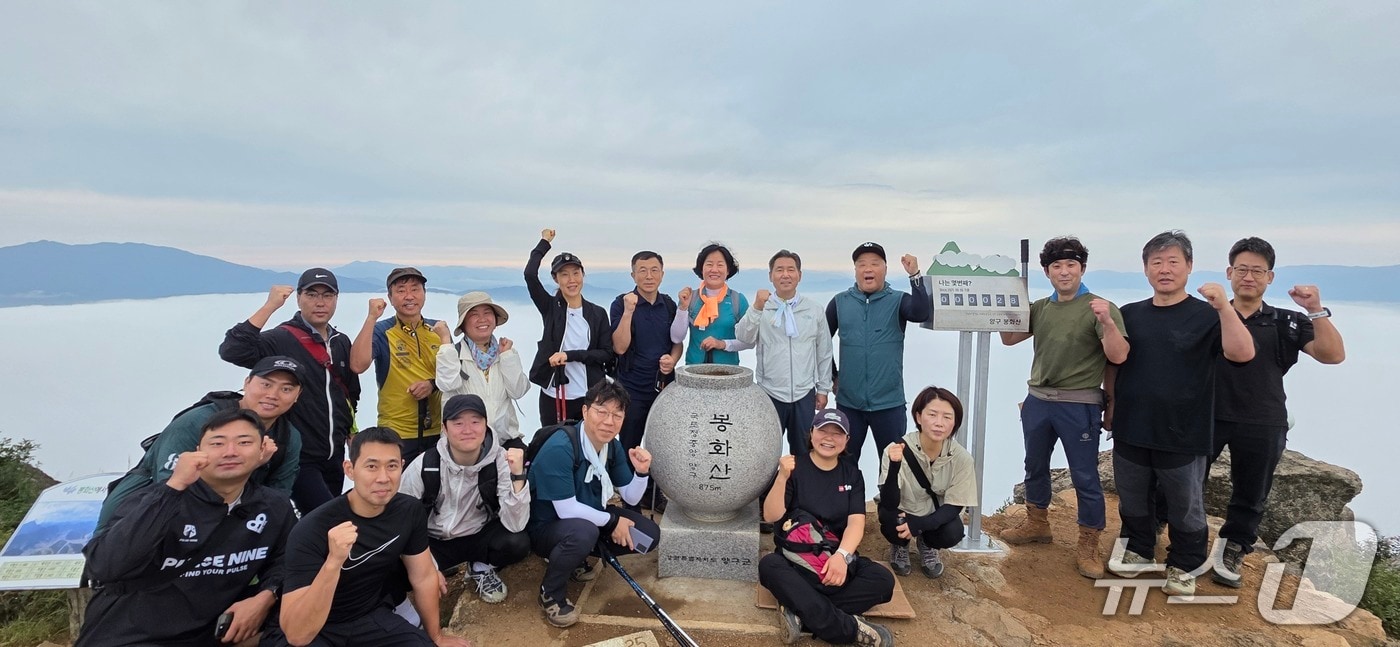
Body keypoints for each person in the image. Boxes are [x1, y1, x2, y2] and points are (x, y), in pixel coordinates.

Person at [1108, 230, 1255, 597]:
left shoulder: (1207, 316)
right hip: (1131, 424)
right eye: (1156, 262)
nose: (1165, 269)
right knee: (1133, 496)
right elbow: (1114, 364)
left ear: (1189, 267)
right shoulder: (1130, 314)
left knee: (1185, 505)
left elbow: (1242, 353)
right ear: (1145, 269)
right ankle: (1139, 549)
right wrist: (1110, 405)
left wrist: (1224, 307)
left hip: (1184, 431)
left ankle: (1185, 564)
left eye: (1174, 261)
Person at [79, 408, 296, 647]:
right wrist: (174, 486)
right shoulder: (154, 499)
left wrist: (266, 596)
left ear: (262, 452)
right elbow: (105, 565)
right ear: (197, 453)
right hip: (131, 636)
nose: (230, 452)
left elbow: (289, 559)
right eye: (217, 443)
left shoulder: (273, 506)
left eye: (244, 442)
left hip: (212, 633)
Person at [1209, 237, 1345, 588]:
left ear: (1270, 277)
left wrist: (1315, 308)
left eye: (1257, 271)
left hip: (1263, 418)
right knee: (1182, 481)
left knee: (1251, 493)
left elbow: (1332, 354)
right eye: (1242, 269)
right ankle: (1176, 538)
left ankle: (1232, 549)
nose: (1249, 277)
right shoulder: (1210, 315)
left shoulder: (1288, 321)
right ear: (1229, 273)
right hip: (1207, 413)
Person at [268, 427, 474, 647]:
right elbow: (297, 635)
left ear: (402, 467)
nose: (383, 478)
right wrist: (333, 562)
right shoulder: (312, 528)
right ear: (350, 469)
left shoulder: (408, 511)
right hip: (315, 628)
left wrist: (436, 637)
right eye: (372, 466)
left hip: (368, 617)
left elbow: (423, 577)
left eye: (392, 466)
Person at [997, 237, 1128, 579]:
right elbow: (1009, 338)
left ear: (1082, 268)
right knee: (1034, 465)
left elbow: (1118, 356)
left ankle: (1088, 543)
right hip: (1038, 400)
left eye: (1071, 265)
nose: (1064, 271)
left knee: (1084, 475)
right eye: (1057, 266)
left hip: (1079, 401)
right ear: (1047, 271)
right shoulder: (1041, 308)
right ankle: (1037, 524)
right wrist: (1011, 303)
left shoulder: (1100, 307)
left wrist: (1109, 323)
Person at [96, 355, 304, 535]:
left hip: (226, 513)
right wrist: (251, 465)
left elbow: (278, 497)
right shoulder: (198, 421)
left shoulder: (288, 436)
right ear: (247, 383)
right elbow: (169, 487)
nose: (273, 395)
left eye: (286, 389)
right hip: (145, 510)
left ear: (297, 396)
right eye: (266, 384)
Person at [219, 269, 362, 513]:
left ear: (336, 299)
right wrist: (270, 306)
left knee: (317, 524)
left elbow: (349, 393)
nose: (320, 302)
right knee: (328, 517)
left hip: (334, 455)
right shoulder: (281, 339)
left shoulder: (341, 342)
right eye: (312, 294)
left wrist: (350, 433)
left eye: (328, 295)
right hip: (298, 456)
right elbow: (233, 349)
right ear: (298, 298)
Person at [527, 381, 659, 629]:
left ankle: (577, 556)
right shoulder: (561, 447)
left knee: (648, 536)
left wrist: (641, 473)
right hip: (546, 528)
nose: (609, 421)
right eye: (602, 412)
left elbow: (630, 497)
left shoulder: (612, 446)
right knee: (583, 532)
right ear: (585, 411)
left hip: (590, 515)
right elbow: (566, 510)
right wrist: (613, 522)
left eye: (617, 415)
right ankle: (551, 593)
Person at [760, 408, 895, 646]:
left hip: (836, 562)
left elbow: (856, 522)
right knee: (769, 566)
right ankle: (849, 629)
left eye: (837, 433)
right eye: (823, 431)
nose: (829, 438)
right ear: (811, 433)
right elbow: (771, 516)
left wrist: (842, 557)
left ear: (847, 440)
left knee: (882, 580)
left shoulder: (852, 475)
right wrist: (781, 477)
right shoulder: (794, 468)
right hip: (798, 563)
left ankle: (801, 612)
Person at [398, 394, 531, 604]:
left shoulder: (500, 461)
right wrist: (428, 567)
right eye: (458, 423)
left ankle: (480, 566)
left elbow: (516, 524)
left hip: (477, 535)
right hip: (433, 541)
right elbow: (401, 520)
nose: (467, 430)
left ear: (486, 425)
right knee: (396, 571)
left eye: (475, 422)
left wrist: (518, 477)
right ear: (444, 428)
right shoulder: (426, 463)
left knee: (517, 543)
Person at [826, 242, 930, 462]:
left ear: (885, 268)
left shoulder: (898, 300)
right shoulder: (839, 302)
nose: (868, 269)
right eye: (861, 264)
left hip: (889, 404)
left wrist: (915, 275)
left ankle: (889, 498)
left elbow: (920, 312)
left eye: (875, 263)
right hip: (849, 404)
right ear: (855, 271)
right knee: (844, 464)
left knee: (893, 466)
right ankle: (849, 498)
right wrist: (833, 377)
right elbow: (821, 345)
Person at [735, 249, 833, 456]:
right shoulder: (763, 308)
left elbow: (823, 351)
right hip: (769, 392)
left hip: (804, 392)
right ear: (771, 276)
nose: (785, 274)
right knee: (766, 452)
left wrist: (823, 389)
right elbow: (744, 336)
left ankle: (800, 489)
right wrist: (756, 307)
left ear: (799, 275)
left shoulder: (813, 309)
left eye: (791, 269)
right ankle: (769, 489)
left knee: (804, 452)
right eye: (779, 270)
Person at [878, 387, 977, 580]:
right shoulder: (895, 449)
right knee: (890, 520)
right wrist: (895, 466)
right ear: (918, 416)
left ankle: (928, 544)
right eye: (932, 415)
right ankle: (900, 545)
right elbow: (889, 501)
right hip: (902, 510)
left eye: (947, 417)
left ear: (955, 422)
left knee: (953, 532)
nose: (939, 423)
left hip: (933, 514)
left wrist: (921, 525)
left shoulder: (962, 458)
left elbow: (954, 505)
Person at [350, 267, 446, 466]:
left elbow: (453, 375)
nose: (409, 296)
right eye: (401, 290)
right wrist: (371, 318)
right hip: (397, 432)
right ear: (390, 297)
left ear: (425, 293)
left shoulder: (437, 329)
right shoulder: (382, 330)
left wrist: (432, 384)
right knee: (397, 494)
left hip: (440, 431)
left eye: (415, 289)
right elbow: (358, 365)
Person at [524, 228, 614, 426]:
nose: (571, 280)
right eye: (564, 275)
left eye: (576, 273)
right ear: (556, 279)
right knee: (552, 444)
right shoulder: (550, 308)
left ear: (583, 274)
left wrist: (569, 356)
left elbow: (606, 354)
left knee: (589, 448)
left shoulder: (597, 313)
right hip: (554, 394)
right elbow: (530, 274)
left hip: (589, 395)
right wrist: (544, 243)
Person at [433, 291, 530, 449]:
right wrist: (445, 342)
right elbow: (447, 384)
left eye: (487, 313)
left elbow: (518, 391)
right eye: (474, 314)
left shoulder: (505, 353)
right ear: (463, 323)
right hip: (465, 445)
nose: (482, 319)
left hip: (504, 441)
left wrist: (507, 356)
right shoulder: (453, 354)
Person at [609, 250, 684, 452]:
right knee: (628, 444)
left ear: (662, 274)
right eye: (642, 271)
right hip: (631, 388)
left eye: (654, 270)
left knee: (663, 445)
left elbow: (677, 342)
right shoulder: (620, 304)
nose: (649, 276)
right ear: (633, 275)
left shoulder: (668, 305)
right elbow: (619, 347)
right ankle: (624, 484)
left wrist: (673, 360)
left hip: (664, 387)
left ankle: (656, 484)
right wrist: (628, 312)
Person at [671, 243, 753, 365]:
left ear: (728, 270)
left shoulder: (737, 300)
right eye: (709, 264)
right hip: (694, 371)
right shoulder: (690, 298)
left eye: (720, 265)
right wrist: (682, 308)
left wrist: (721, 344)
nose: (714, 270)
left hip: (728, 373)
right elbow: (676, 338)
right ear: (701, 268)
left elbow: (750, 341)